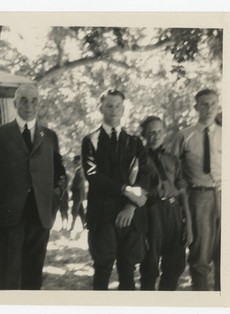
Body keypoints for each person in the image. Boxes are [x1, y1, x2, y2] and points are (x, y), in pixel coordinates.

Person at [0, 84, 67, 290]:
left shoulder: (49, 136)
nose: (29, 105)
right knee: (9, 275)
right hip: (10, 215)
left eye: (34, 100)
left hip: (40, 215)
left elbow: (61, 175)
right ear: (14, 104)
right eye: (24, 100)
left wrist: (53, 202)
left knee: (34, 275)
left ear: (39, 103)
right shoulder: (0, 134)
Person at [81, 89, 149, 290]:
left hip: (130, 213)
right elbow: (92, 175)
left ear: (124, 108)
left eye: (118, 105)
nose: (113, 110)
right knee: (102, 268)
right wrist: (124, 189)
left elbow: (145, 176)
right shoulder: (90, 140)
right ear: (100, 108)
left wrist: (130, 205)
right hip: (102, 213)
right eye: (109, 105)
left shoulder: (135, 142)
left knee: (128, 268)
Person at [170, 89, 221, 291]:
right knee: (200, 257)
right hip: (199, 197)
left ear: (218, 106)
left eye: (213, 104)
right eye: (204, 104)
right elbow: (169, 167)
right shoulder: (184, 136)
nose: (209, 108)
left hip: (227, 197)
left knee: (227, 256)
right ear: (196, 107)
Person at [139, 116, 193, 290]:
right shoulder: (138, 159)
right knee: (149, 266)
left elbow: (182, 191)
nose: (156, 135)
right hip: (151, 212)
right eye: (151, 132)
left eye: (160, 131)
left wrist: (188, 225)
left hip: (173, 212)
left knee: (175, 265)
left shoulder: (172, 159)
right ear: (144, 135)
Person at [70, 155, 87, 231]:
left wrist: (71, 187)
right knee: (81, 212)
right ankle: (85, 226)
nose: (74, 164)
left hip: (78, 196)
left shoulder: (79, 172)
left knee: (74, 211)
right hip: (79, 196)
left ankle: (72, 228)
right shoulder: (80, 171)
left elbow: (76, 185)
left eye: (75, 163)